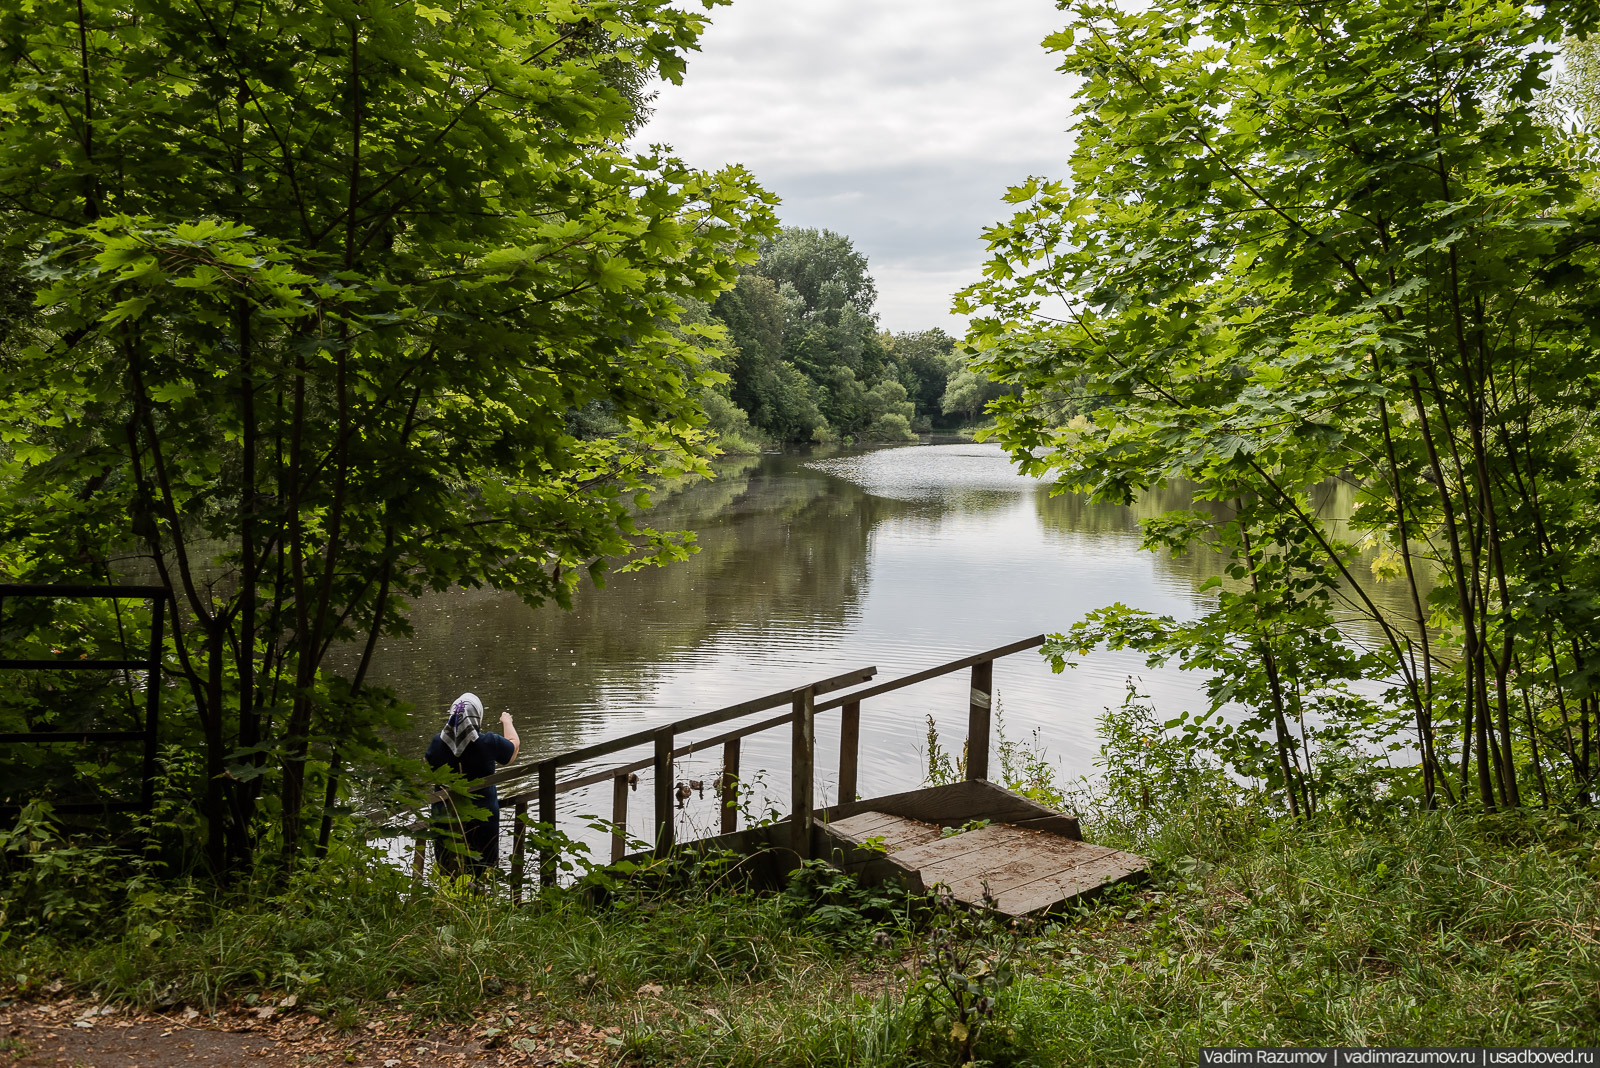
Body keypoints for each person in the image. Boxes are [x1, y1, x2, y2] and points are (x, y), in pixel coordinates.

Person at [424, 692, 520, 875]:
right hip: (482, 819)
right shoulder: (487, 742)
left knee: (448, 872)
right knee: (482, 872)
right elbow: (512, 748)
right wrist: (507, 721)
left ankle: (447, 901)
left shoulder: (437, 744)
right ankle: (481, 900)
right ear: (477, 716)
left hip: (445, 818)